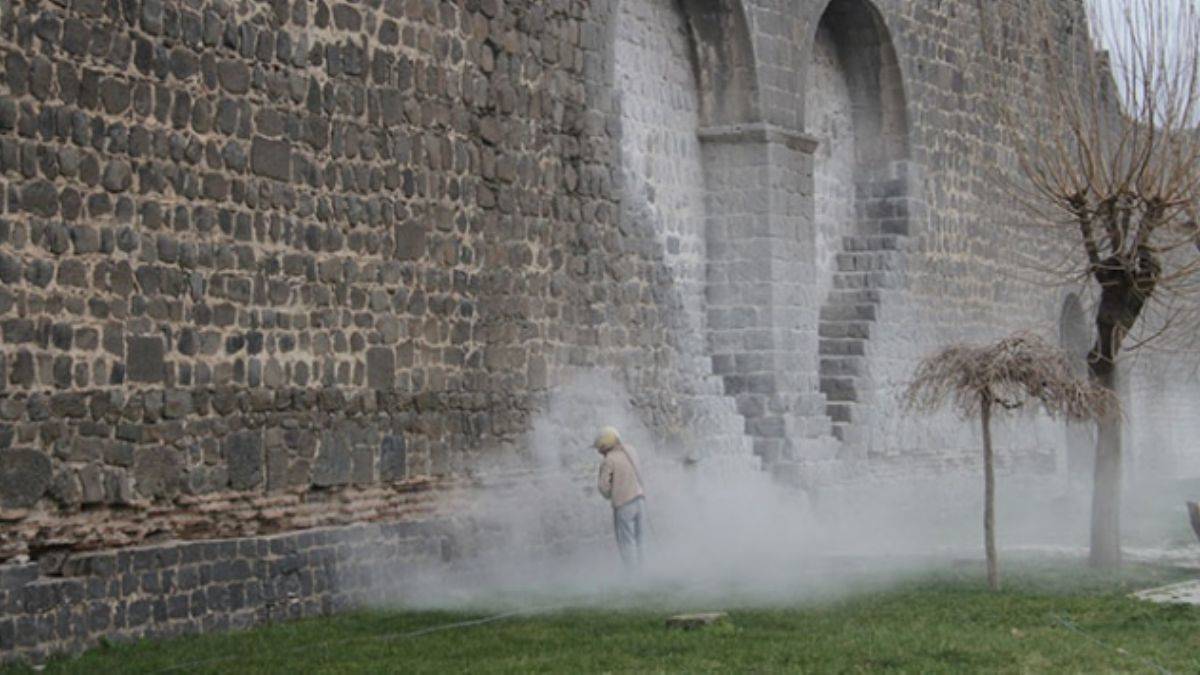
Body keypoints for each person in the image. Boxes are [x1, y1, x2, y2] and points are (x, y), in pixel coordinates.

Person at [594, 426, 645, 569]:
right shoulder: (631, 450)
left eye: (600, 448)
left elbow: (603, 487)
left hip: (624, 504)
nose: (599, 452)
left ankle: (632, 576)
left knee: (627, 543)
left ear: (604, 446)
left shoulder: (609, 460)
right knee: (641, 540)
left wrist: (611, 494)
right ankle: (645, 572)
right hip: (640, 499)